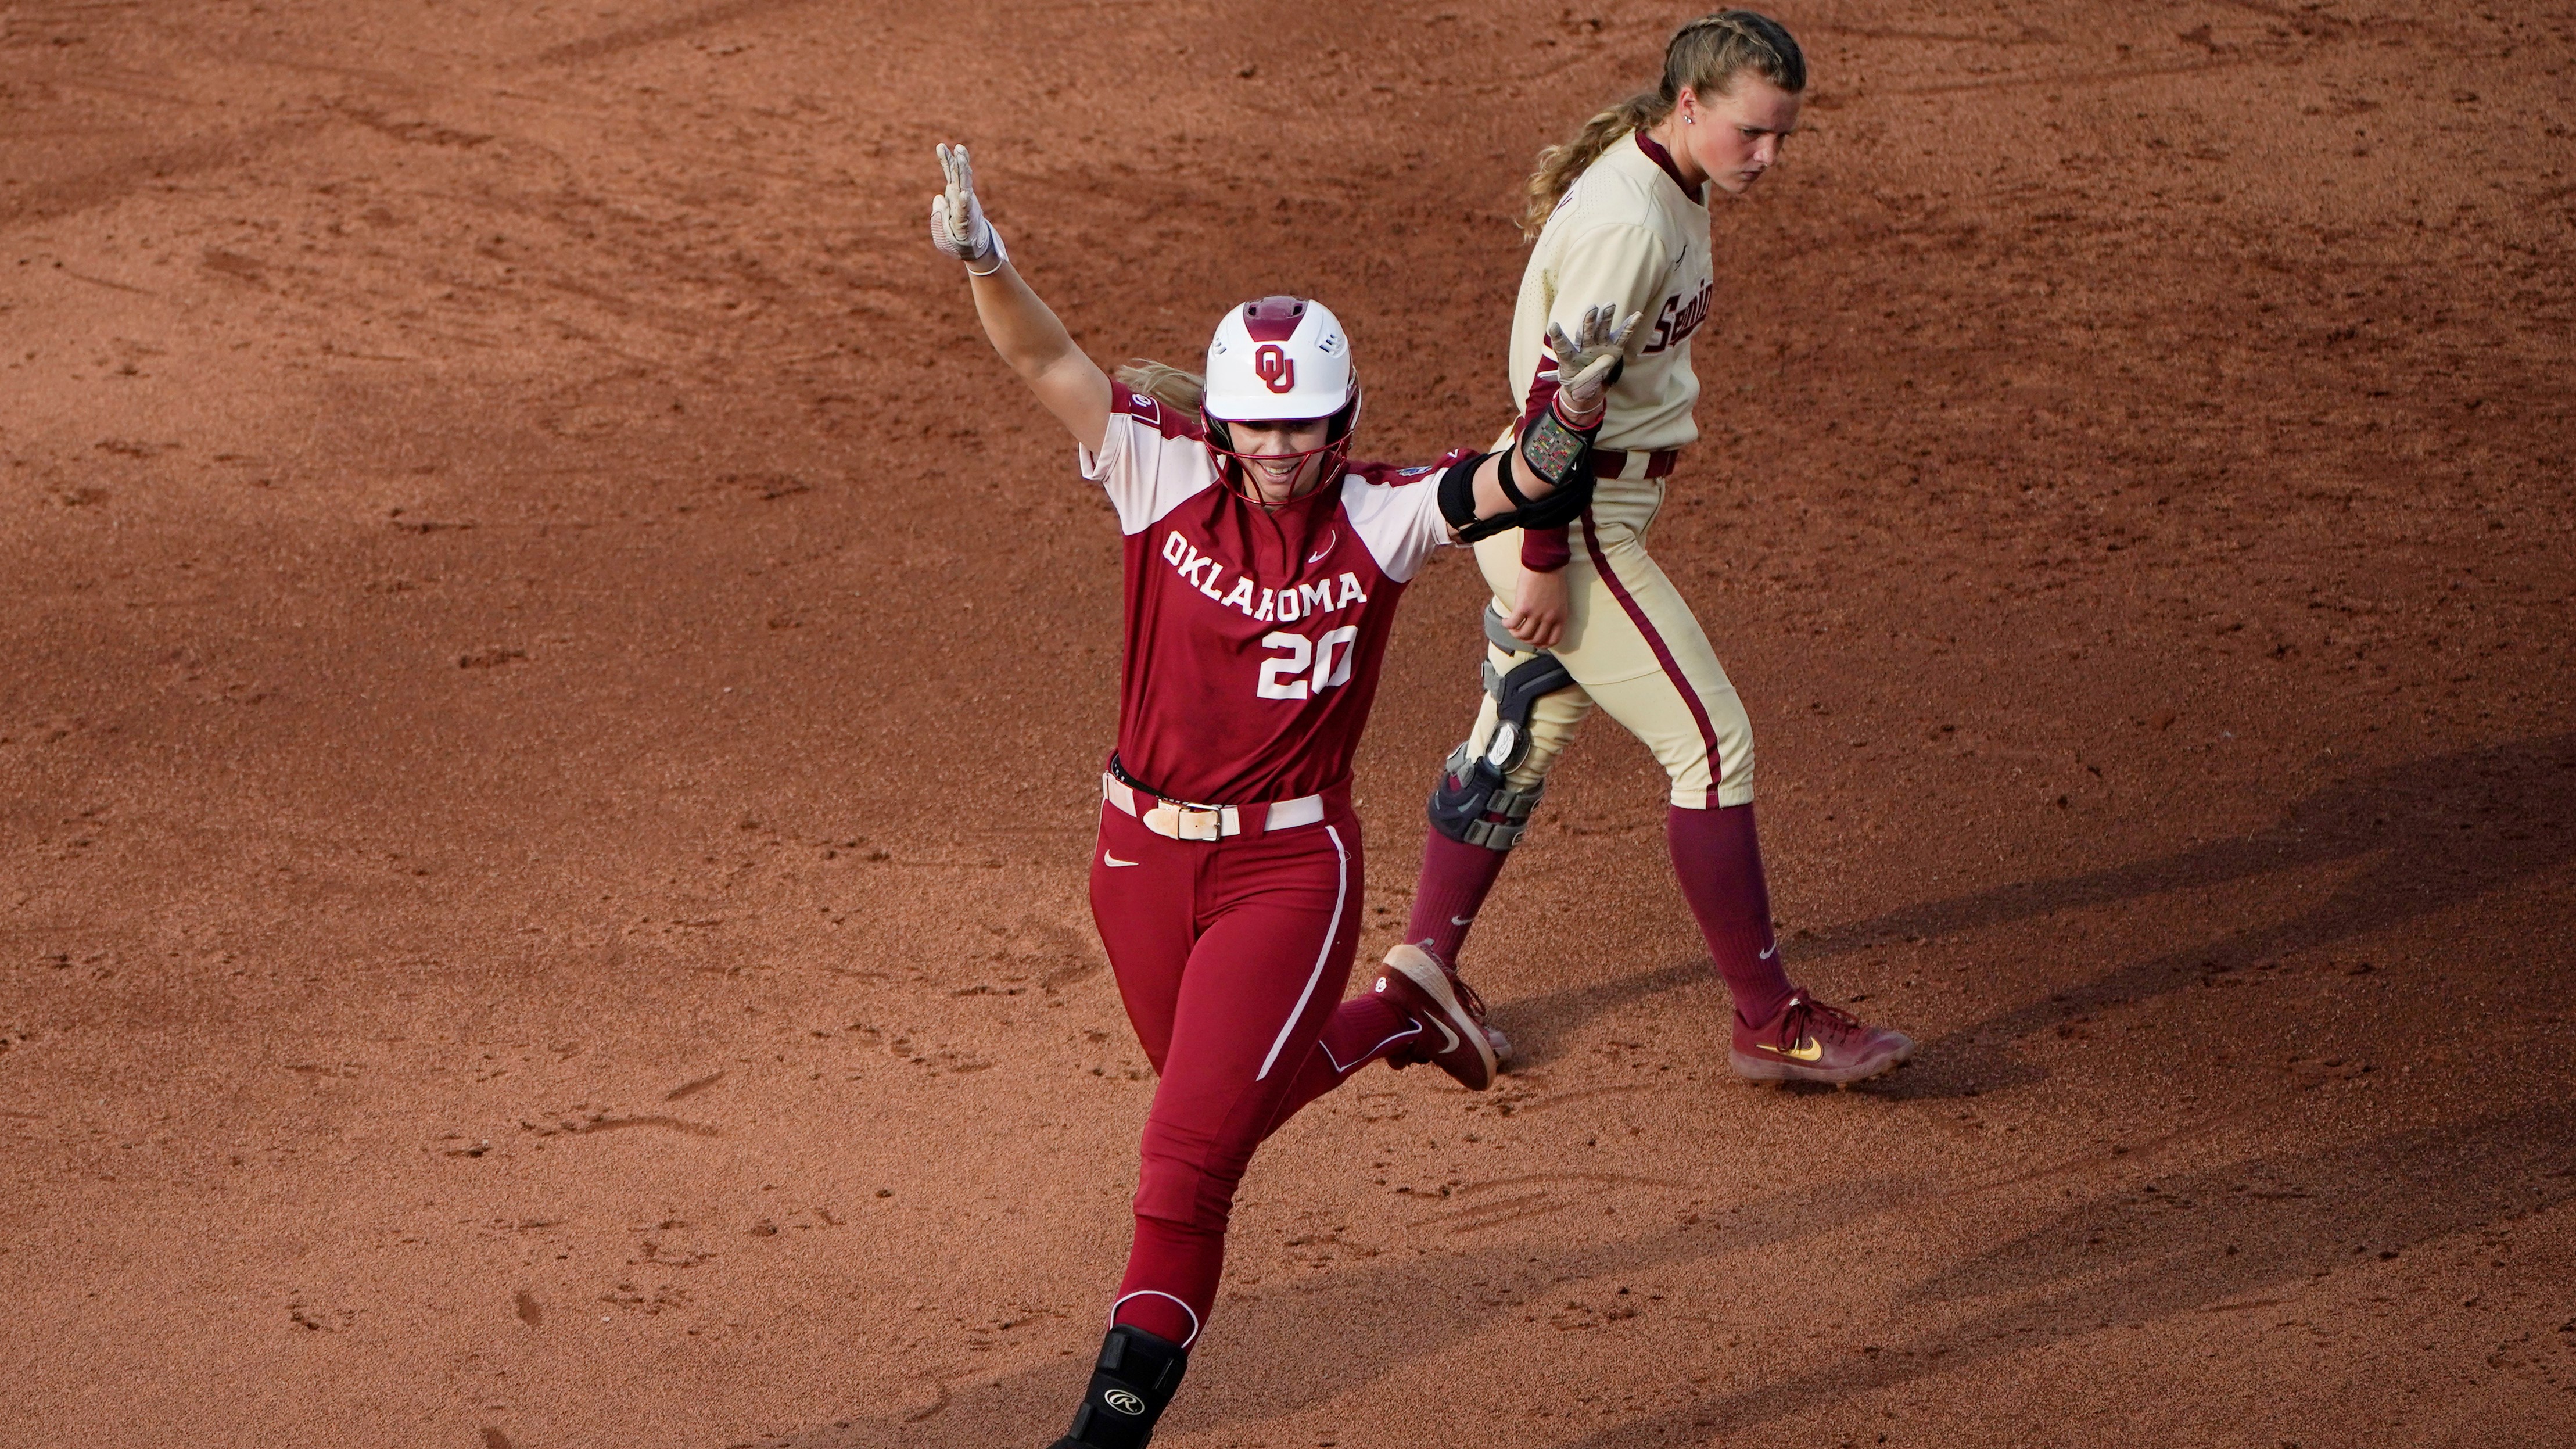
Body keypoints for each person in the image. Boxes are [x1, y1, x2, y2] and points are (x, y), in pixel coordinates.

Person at [927, 142, 1631, 1449]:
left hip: (1286, 875)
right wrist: (989, 264)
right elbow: (1045, 361)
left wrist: (1571, 416)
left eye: (1304, 421)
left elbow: (1516, 484)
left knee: (1186, 1166)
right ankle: (1406, 1015)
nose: (1280, 449)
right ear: (1223, 421)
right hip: (1133, 858)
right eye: (1258, 423)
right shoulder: (1162, 472)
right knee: (1218, 1099)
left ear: (1342, 417)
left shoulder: (1383, 513)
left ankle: (1100, 1434)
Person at [1386, 10, 1917, 1087]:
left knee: (1520, 730)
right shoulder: (1632, 220)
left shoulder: (1670, 182)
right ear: (1687, 105)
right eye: (1751, 133)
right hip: (1571, 516)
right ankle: (1768, 1019)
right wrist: (1540, 555)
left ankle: (1420, 971)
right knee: (1712, 744)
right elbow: (1557, 395)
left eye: (1782, 139)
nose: (1766, 158)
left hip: (1575, 504)